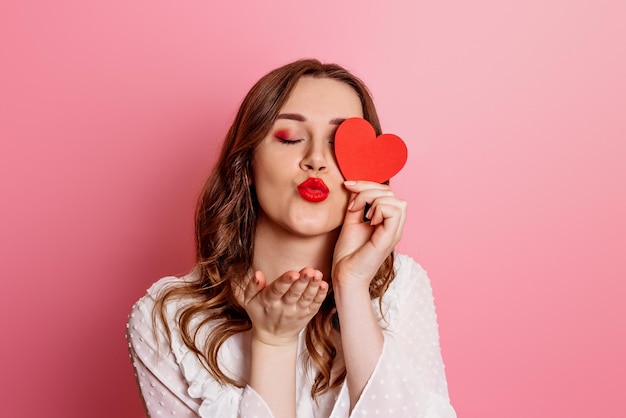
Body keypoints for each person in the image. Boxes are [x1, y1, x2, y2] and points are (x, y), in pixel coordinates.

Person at [127, 59, 456, 418]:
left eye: (339, 143)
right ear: (247, 164)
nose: (316, 159)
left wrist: (352, 287)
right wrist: (273, 344)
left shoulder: (401, 288)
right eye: (289, 138)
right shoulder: (167, 318)